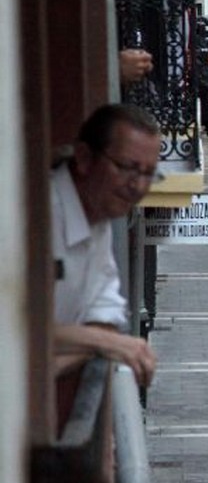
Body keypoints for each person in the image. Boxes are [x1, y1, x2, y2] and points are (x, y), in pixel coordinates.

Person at [51, 104, 161, 389]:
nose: (137, 186)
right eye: (127, 168)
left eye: (149, 174)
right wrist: (105, 343)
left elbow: (106, 312)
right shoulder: (35, 218)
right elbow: (16, 329)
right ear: (85, 158)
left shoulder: (99, 214)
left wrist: (58, 360)